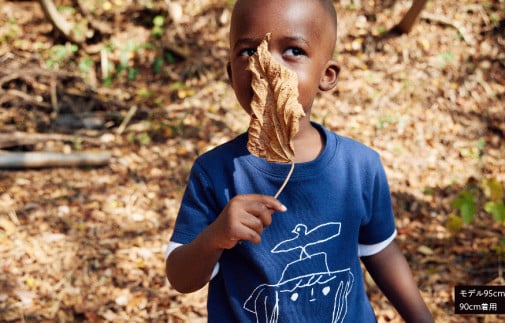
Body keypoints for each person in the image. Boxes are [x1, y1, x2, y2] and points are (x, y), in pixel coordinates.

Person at [165, 0, 434, 322]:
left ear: (327, 74)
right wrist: (215, 237)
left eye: (292, 51)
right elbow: (181, 278)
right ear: (230, 73)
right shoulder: (215, 172)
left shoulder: (359, 167)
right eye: (248, 52)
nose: (266, 66)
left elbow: (380, 250)